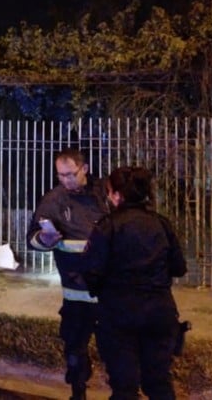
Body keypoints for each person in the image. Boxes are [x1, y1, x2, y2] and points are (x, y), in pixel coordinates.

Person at [84, 166, 187, 399]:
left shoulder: (107, 226)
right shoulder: (161, 224)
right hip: (159, 314)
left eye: (110, 191)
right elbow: (179, 268)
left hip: (119, 316)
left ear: (118, 195)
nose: (109, 196)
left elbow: (91, 272)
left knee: (124, 387)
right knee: (159, 384)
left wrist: (103, 292)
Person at [27, 147, 109, 400]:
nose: (66, 180)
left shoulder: (104, 194)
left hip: (108, 292)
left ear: (84, 169)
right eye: (60, 175)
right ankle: (78, 392)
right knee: (75, 347)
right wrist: (45, 238)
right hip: (75, 292)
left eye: (70, 174)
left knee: (117, 349)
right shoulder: (54, 200)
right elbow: (32, 240)